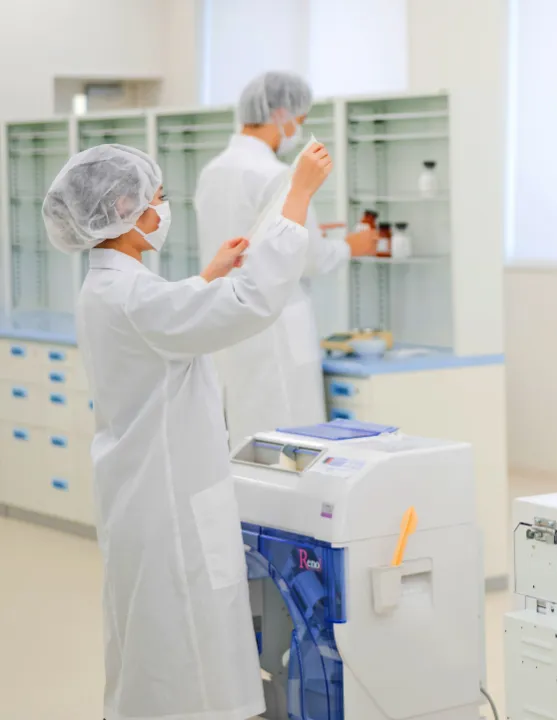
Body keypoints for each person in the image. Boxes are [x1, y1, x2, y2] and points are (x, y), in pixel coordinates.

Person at [42, 141, 332, 720]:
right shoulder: (134, 297)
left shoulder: (108, 287)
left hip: (139, 489)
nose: (162, 209)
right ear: (123, 209)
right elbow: (251, 301)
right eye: (156, 199)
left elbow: (169, 319)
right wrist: (298, 195)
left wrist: (206, 277)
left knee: (149, 638)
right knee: (186, 645)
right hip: (167, 501)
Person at [195, 70, 379, 448]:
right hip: (275, 326)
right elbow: (310, 258)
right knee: (290, 441)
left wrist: (311, 232)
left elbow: (249, 236)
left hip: (227, 321)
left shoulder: (212, 172)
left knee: (243, 440)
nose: (299, 128)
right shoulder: (276, 175)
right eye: (301, 118)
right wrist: (351, 245)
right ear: (281, 114)